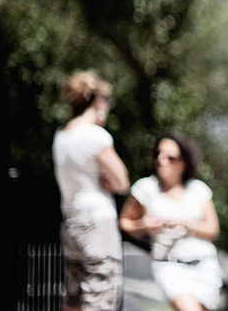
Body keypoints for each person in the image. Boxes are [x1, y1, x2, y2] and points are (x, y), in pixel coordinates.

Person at [53, 70, 130, 311]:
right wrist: (108, 179)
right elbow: (122, 182)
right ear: (97, 101)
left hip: (71, 224)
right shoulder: (95, 136)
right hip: (97, 226)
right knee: (100, 301)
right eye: (107, 101)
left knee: (73, 301)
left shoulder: (61, 136)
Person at [119, 131, 222, 311]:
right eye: (159, 155)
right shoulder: (146, 188)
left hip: (205, 266)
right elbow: (124, 222)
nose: (162, 160)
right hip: (170, 266)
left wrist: (185, 225)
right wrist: (143, 225)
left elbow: (213, 230)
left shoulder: (198, 189)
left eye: (170, 157)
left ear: (183, 163)